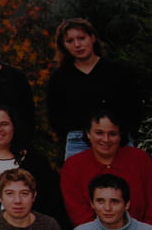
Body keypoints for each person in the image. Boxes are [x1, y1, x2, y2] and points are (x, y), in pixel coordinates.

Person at [47, 18, 143, 159]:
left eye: (81, 38)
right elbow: (55, 116)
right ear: (64, 45)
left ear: (92, 38)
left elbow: (134, 107)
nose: (77, 44)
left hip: (119, 140)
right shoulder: (59, 78)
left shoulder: (118, 71)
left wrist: (120, 133)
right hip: (78, 143)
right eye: (70, 41)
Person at [60, 112, 152, 227]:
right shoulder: (73, 166)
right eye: (99, 133)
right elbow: (77, 212)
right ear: (88, 133)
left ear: (120, 135)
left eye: (112, 134)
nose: (106, 139)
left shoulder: (140, 159)